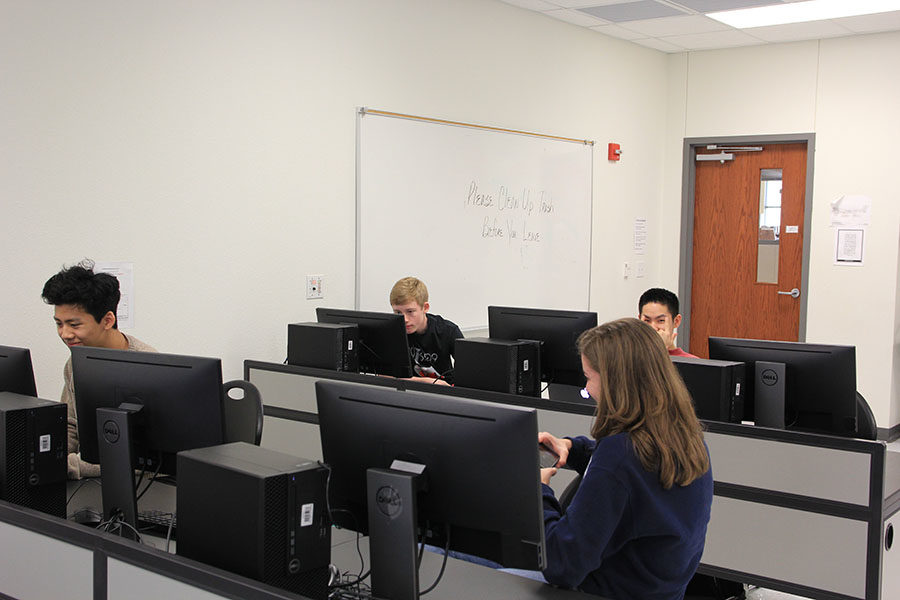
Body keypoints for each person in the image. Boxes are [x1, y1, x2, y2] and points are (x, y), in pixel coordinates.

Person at [538, 318, 713, 599]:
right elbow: (633, 477)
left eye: (589, 378)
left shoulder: (620, 456)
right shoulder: (686, 437)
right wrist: (573, 447)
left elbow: (560, 564)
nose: (588, 390)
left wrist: (542, 493)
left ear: (614, 383)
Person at [41, 261, 156, 480]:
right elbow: (71, 425)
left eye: (74, 325)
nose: (65, 334)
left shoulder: (147, 365)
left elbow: (150, 460)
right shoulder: (75, 362)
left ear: (108, 320)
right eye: (59, 323)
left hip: (141, 490)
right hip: (91, 485)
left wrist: (75, 466)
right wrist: (50, 458)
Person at [389, 277, 463, 385]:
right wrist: (429, 382)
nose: (404, 319)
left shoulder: (448, 331)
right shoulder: (394, 331)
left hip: (445, 392)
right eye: (398, 312)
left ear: (425, 307)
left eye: (410, 311)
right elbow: (384, 375)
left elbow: (468, 372)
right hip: (409, 391)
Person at [639, 287, 698, 358]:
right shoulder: (629, 356)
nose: (653, 327)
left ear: (676, 321)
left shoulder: (691, 362)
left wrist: (662, 350)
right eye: (647, 320)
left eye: (661, 320)